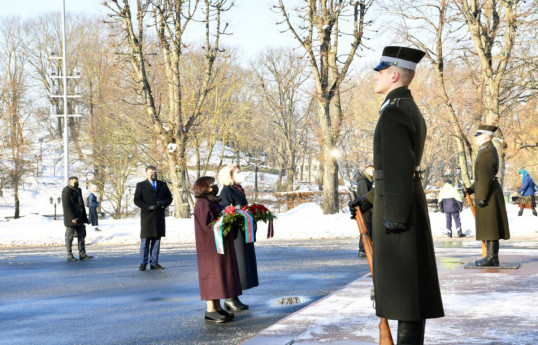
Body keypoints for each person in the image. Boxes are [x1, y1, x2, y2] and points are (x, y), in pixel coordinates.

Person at [349, 46, 444, 344]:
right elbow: (394, 169)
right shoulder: (403, 107)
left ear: (394, 74)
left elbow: (398, 170)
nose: (374, 77)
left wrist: (394, 217)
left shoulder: (394, 112)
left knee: (404, 292)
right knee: (409, 291)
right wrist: (369, 200)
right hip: (399, 202)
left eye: (380, 72)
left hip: (398, 210)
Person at [193, 176, 241, 323]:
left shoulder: (212, 201)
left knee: (221, 276)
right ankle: (210, 310)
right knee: (212, 276)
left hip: (220, 244)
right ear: (203, 187)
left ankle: (218, 307)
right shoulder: (202, 203)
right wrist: (225, 221)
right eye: (211, 185)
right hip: (210, 247)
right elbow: (207, 225)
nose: (214, 187)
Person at [465, 125, 510, 266]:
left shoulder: (486, 152)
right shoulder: (486, 150)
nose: (476, 138)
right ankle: (491, 256)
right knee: (490, 225)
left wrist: (482, 197)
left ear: (485, 136)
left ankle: (492, 257)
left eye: (478, 136)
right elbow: (481, 178)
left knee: (490, 226)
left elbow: (484, 177)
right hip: (487, 190)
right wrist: (471, 189)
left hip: (488, 193)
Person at [218, 164, 257, 312]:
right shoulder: (227, 191)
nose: (241, 174)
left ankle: (235, 297)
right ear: (230, 176)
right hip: (234, 234)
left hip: (242, 232)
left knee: (241, 266)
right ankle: (229, 298)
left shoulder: (238, 189)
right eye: (237, 172)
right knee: (236, 266)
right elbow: (225, 212)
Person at [134, 166, 173, 271]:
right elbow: (137, 200)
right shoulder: (141, 185)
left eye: (155, 172)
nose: (154, 174)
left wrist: (163, 203)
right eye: (151, 172)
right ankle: (143, 262)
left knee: (156, 241)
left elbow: (169, 198)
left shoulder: (162, 184)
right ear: (146, 174)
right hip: (147, 216)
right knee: (145, 242)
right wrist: (147, 206)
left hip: (159, 216)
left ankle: (154, 263)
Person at [62, 176, 93, 262]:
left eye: (77, 181)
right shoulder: (66, 191)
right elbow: (66, 205)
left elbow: (81, 204)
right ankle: (69, 255)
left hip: (79, 217)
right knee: (69, 237)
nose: (77, 183)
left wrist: (84, 217)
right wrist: (71, 217)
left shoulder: (78, 190)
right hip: (71, 219)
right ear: (70, 182)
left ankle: (82, 254)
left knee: (82, 236)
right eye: (75, 182)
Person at [350, 165, 374, 257]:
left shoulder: (367, 180)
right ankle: (363, 249)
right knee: (366, 230)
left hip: (367, 210)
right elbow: (366, 197)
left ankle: (364, 249)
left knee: (367, 230)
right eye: (372, 171)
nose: (374, 173)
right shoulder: (364, 181)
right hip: (366, 211)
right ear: (367, 171)